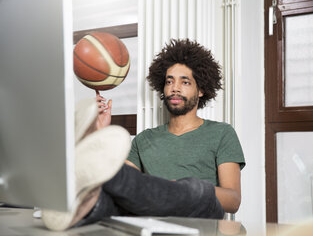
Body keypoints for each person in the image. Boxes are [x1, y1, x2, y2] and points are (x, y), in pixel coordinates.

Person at [42, 39, 245, 231]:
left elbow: (233, 200)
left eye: (185, 82)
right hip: (151, 217)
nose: (174, 88)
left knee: (196, 189)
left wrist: (172, 189)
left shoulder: (221, 133)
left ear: (201, 90)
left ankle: (83, 175)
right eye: (169, 81)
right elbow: (125, 189)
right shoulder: (144, 139)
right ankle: (83, 207)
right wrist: (100, 132)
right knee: (117, 200)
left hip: (201, 217)